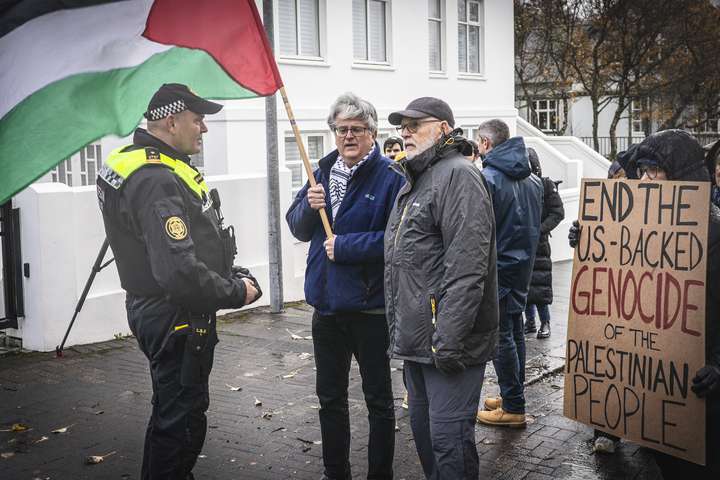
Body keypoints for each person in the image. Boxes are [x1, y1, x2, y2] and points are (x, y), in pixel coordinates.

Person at [96, 83, 260, 479]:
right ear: (171, 121)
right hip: (176, 317)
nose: (203, 128)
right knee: (180, 423)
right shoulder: (155, 179)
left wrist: (225, 270)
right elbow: (179, 273)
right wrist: (237, 291)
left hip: (157, 310)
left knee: (172, 413)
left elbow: (175, 248)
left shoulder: (134, 162)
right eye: (197, 119)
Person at [569, 130, 720, 476]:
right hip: (661, 386)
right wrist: (591, 238)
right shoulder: (635, 224)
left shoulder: (714, 230)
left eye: (656, 170)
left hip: (701, 382)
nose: (646, 178)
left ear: (682, 173)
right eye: (643, 169)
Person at [286, 93, 403, 480]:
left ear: (372, 133)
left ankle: (379, 474)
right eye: (341, 130)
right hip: (327, 309)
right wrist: (308, 203)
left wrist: (347, 247)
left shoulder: (390, 178)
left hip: (370, 310)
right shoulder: (320, 171)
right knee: (330, 399)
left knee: (379, 402)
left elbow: (399, 240)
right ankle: (335, 472)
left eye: (357, 129)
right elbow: (298, 227)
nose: (348, 136)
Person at [384, 97, 498, 479]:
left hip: (448, 346)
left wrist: (447, 341)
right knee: (427, 439)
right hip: (418, 344)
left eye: (415, 125)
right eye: (403, 127)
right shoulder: (414, 181)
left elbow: (468, 268)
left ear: (445, 129)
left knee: (450, 445)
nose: (406, 133)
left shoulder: (458, 175)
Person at [475, 119, 543, 428]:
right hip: (522, 269)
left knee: (501, 338)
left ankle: (514, 405)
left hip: (498, 271)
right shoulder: (534, 181)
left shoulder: (487, 179)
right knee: (515, 332)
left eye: (478, 143)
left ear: (486, 144)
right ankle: (512, 395)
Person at [523, 148, 564, 339]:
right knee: (524, 285)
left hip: (539, 244)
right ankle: (529, 322)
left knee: (540, 285)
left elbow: (557, 213)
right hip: (522, 242)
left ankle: (544, 322)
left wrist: (539, 230)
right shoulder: (519, 185)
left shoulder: (546, 185)